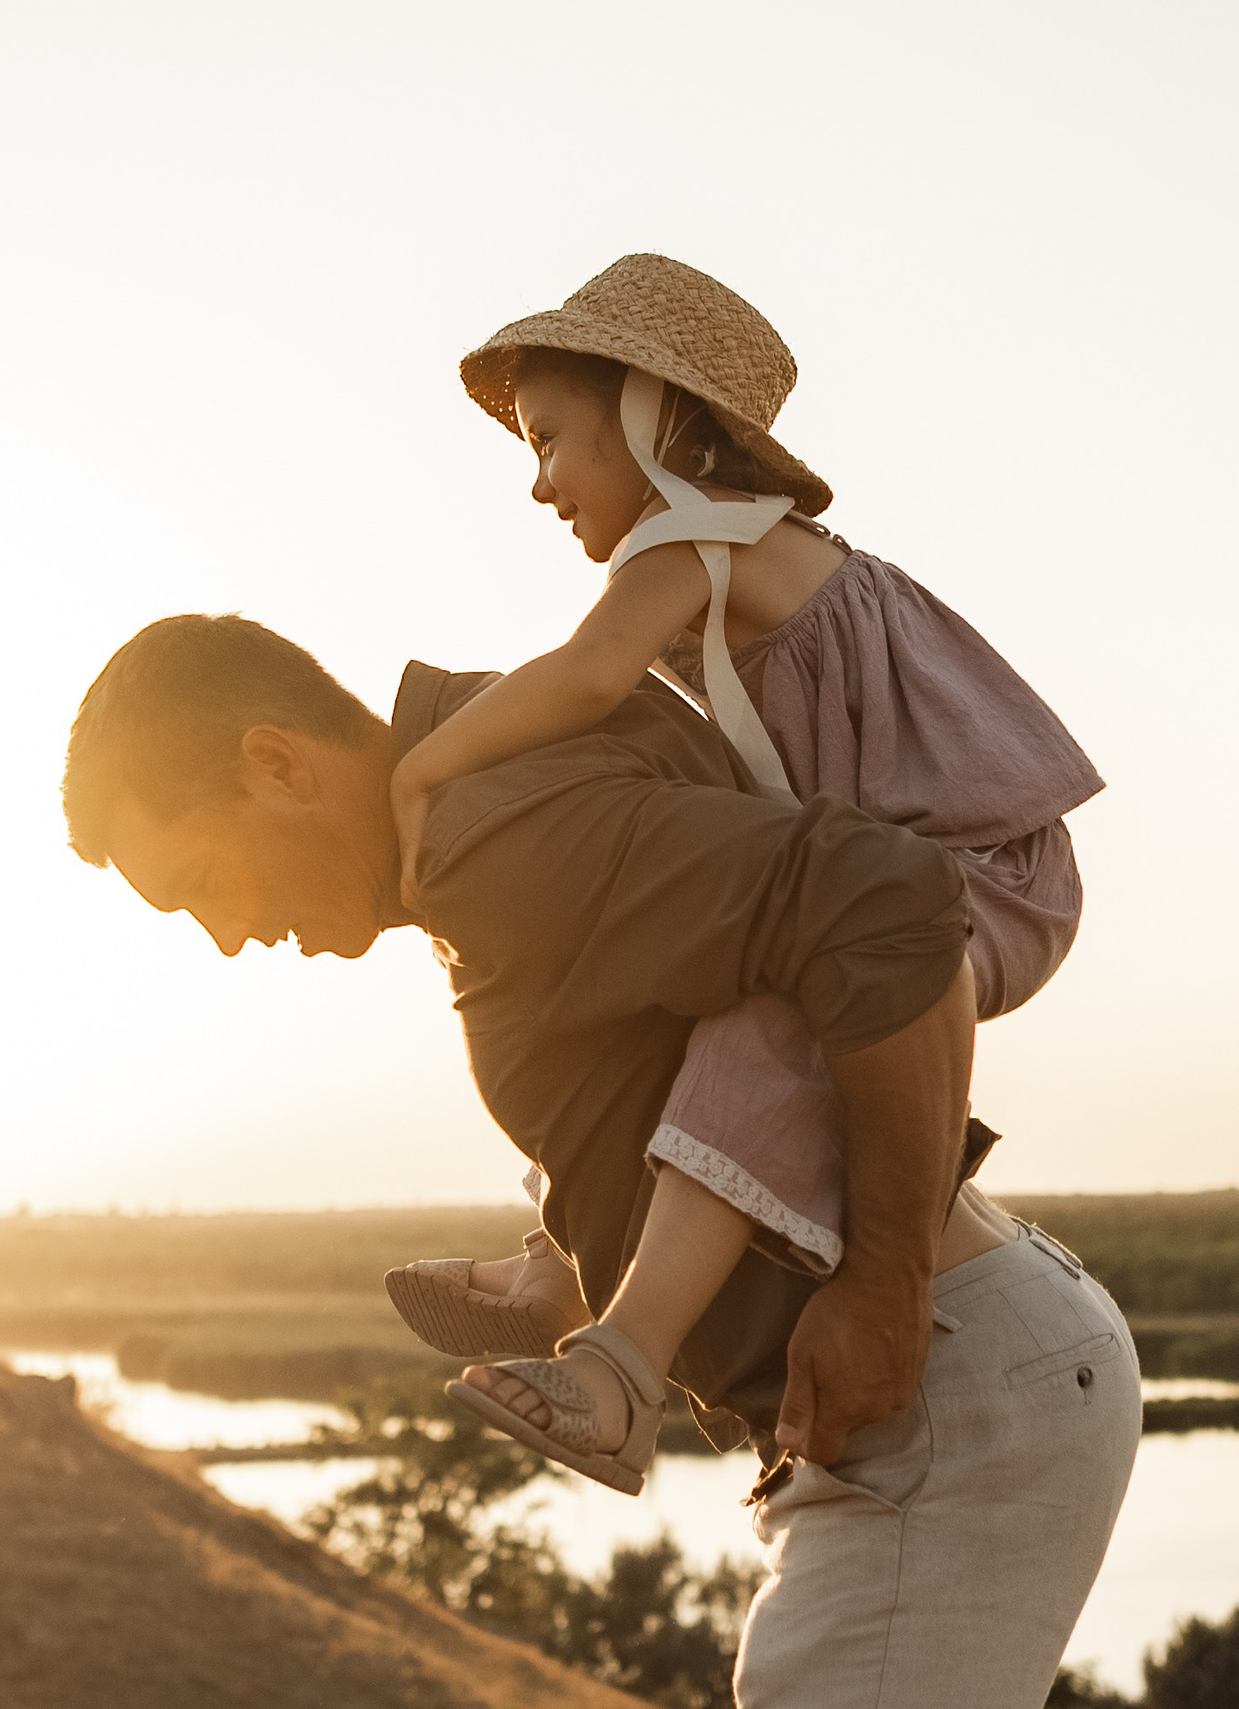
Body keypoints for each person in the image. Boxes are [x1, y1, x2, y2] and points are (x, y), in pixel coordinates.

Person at [60, 613, 1141, 1706]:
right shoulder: (489, 777)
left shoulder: (493, 831)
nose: (227, 937)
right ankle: (564, 1274)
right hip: (949, 1384)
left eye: (200, 879)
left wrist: (886, 1286)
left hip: (939, 1385)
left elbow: (890, 901)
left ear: (278, 764)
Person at [380, 254, 1107, 1489]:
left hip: (980, 871)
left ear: (650, 415)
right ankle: (569, 1249)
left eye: (552, 437)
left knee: (762, 1028)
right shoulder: (733, 555)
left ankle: (622, 1366)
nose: (540, 481)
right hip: (906, 867)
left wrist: (420, 769)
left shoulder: (688, 545)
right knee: (680, 966)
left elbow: (583, 676)